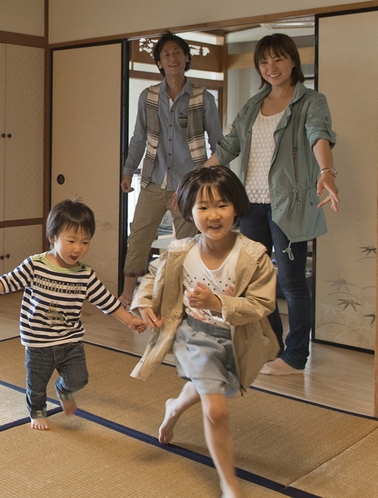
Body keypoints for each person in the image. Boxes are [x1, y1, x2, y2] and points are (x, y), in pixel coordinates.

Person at [130, 166, 279, 498]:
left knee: (206, 390)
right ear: (188, 210)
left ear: (236, 206)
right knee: (216, 410)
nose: (214, 215)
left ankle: (174, 407)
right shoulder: (181, 251)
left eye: (222, 205)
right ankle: (229, 485)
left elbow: (261, 304)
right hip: (193, 336)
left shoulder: (254, 256)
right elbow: (152, 278)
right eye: (203, 207)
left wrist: (218, 302)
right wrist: (144, 303)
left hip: (235, 339)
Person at [203, 33, 339, 376]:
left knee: (292, 283)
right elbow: (230, 144)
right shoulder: (253, 104)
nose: (271, 67)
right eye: (264, 62)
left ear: (293, 61)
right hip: (252, 205)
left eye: (278, 59)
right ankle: (274, 347)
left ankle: (296, 357)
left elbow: (318, 134)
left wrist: (326, 170)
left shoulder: (311, 101)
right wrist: (199, 177)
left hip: (289, 205)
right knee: (257, 282)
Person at [0, 199, 147, 430]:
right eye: (72, 241)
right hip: (38, 342)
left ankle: (63, 389)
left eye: (85, 242)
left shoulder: (85, 275)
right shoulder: (35, 265)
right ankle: (36, 411)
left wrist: (130, 320)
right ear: (53, 237)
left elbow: (107, 302)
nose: (78, 248)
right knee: (36, 383)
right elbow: (9, 281)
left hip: (70, 341)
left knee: (79, 378)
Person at [119, 30, 224, 307]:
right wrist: (129, 170)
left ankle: (182, 297)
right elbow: (139, 137)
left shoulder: (203, 97)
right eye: (166, 54)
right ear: (159, 63)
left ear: (187, 58)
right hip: (153, 181)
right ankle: (128, 294)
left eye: (177, 53)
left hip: (189, 187)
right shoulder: (149, 96)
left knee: (187, 245)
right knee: (138, 237)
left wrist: (209, 182)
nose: (172, 58)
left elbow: (219, 144)